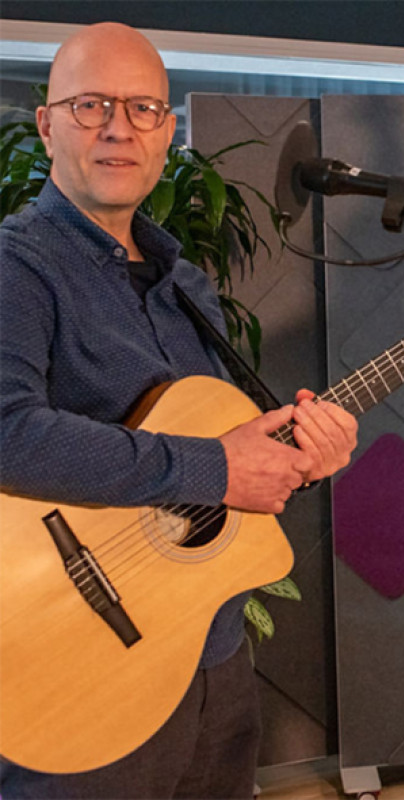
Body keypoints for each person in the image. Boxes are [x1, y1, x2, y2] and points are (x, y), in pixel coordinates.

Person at [0, 22, 358, 799]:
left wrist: (301, 457)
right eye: (91, 105)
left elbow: (227, 457)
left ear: (168, 133)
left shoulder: (185, 285)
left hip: (209, 655)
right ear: (47, 123)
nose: (118, 127)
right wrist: (216, 466)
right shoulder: (16, 265)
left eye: (141, 108)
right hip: (75, 665)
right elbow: (7, 433)